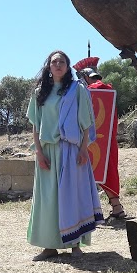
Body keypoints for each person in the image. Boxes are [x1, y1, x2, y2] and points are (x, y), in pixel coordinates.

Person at [27, 50, 103, 261]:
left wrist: (83, 149)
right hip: (48, 151)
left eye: (62, 61)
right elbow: (36, 126)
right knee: (48, 200)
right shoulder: (40, 92)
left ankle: (75, 244)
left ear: (67, 66)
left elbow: (86, 122)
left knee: (72, 197)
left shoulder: (76, 90)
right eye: (54, 62)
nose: (58, 64)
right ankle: (49, 246)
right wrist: (39, 153)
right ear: (49, 67)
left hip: (70, 149)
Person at [74, 56, 126, 220]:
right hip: (107, 140)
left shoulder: (92, 91)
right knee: (107, 171)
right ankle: (114, 208)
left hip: (95, 140)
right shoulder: (108, 89)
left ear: (85, 76)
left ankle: (115, 209)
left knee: (99, 171)